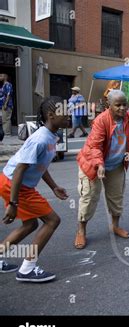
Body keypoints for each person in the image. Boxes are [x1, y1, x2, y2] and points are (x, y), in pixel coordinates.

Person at [73, 90, 129, 249]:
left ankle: (114, 226)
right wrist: (99, 164)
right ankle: (81, 230)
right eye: (118, 105)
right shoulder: (101, 120)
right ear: (109, 105)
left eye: (124, 104)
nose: (122, 108)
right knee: (89, 197)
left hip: (116, 164)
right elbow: (95, 146)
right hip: (93, 164)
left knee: (116, 196)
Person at [0, 96, 69, 282]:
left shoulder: (51, 135)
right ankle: (27, 269)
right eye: (65, 112)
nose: (69, 115)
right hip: (16, 184)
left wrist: (54, 187)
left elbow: (40, 165)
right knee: (52, 220)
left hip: (12, 182)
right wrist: (13, 203)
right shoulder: (40, 139)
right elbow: (21, 169)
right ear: (51, 115)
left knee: (31, 224)